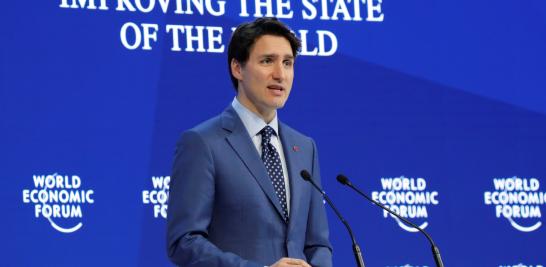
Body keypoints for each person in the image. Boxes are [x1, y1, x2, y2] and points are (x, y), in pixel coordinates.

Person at [166, 17, 333, 267]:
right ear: (237, 68)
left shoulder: (305, 147)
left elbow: (317, 244)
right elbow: (184, 242)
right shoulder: (202, 143)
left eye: (288, 63)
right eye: (267, 61)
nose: (280, 74)